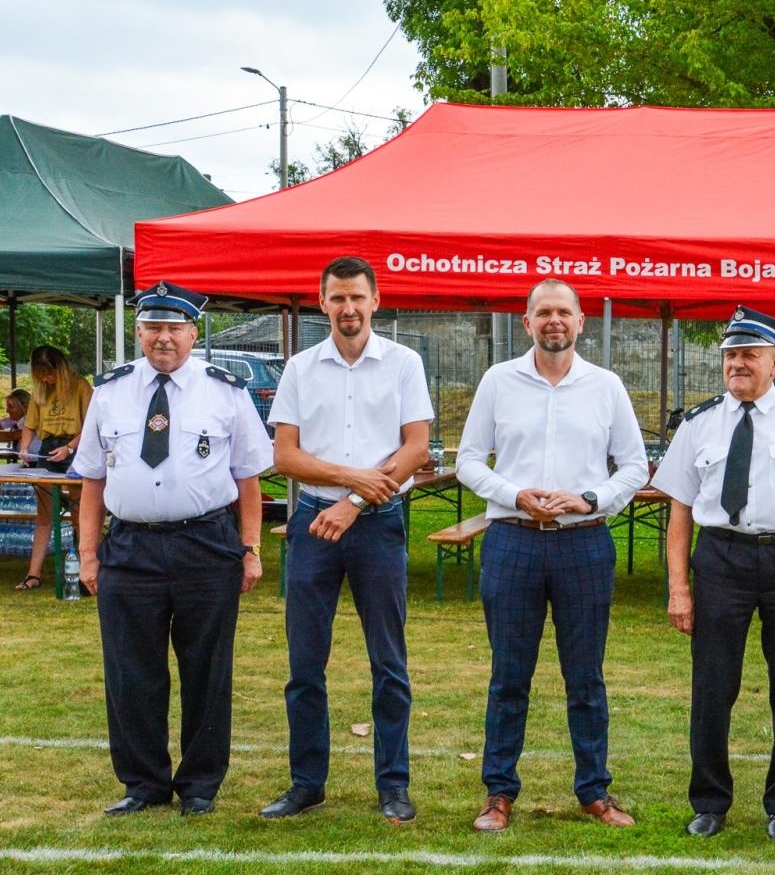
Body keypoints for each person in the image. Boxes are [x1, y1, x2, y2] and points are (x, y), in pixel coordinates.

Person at [456, 279, 649, 833]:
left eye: (563, 312)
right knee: (508, 676)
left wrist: (592, 498)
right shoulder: (499, 381)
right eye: (543, 313)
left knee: (585, 677)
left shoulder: (606, 386)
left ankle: (594, 791)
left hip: (583, 543)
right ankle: (498, 793)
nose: (554, 321)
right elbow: (469, 458)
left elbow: (634, 467)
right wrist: (511, 493)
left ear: (581, 322)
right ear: (527, 322)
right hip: (513, 539)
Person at [73, 281, 271, 816]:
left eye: (175, 328)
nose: (164, 338)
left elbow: (248, 478)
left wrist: (249, 548)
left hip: (206, 546)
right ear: (138, 333)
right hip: (130, 548)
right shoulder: (110, 391)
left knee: (207, 669)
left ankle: (201, 786)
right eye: (154, 328)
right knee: (131, 671)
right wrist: (88, 556)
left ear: (194, 332)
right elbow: (91, 480)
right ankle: (144, 783)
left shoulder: (225, 390)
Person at [655, 307, 775, 840]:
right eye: (730, 356)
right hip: (721, 560)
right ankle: (710, 801)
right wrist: (678, 587)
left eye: (748, 356)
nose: (736, 364)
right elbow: (679, 511)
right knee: (713, 687)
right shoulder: (698, 424)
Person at [260, 256, 433, 824]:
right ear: (323, 302)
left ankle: (394, 786)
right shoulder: (301, 369)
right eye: (337, 298)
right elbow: (284, 456)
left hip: (378, 525)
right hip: (313, 527)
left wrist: (355, 500)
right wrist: (350, 478)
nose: (348, 308)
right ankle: (307, 784)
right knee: (305, 663)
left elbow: (416, 449)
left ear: (376, 301)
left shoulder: (405, 363)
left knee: (389, 662)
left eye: (358, 297)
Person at [16, 347, 93, 591]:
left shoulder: (80, 385)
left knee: (80, 514)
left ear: (58, 370)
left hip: (76, 448)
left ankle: (85, 573)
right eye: (41, 377)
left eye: (48, 376)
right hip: (49, 449)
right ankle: (33, 574)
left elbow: (92, 424)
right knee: (44, 516)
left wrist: (70, 448)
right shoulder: (40, 391)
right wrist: (25, 447)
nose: (45, 381)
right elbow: (29, 425)